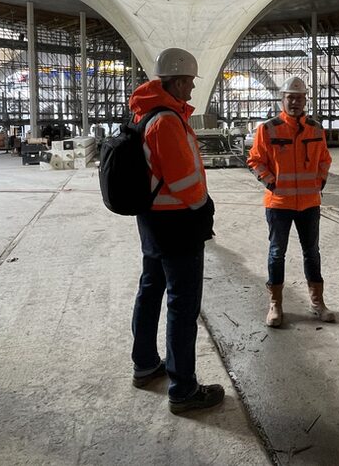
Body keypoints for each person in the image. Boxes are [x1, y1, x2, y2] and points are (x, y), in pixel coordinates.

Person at [129, 47, 224, 414]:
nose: (192, 90)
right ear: (179, 80)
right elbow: (184, 180)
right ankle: (183, 389)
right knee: (182, 305)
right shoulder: (167, 120)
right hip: (177, 223)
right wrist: (204, 206)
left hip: (153, 221)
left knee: (151, 289)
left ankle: (145, 363)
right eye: (190, 82)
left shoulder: (148, 114)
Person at [247, 75, 333, 327]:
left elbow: (325, 159)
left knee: (312, 253)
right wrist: (270, 182)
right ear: (282, 99)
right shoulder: (268, 128)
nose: (295, 102)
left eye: (299, 98)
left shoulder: (316, 129)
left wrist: (320, 181)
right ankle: (275, 305)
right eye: (290, 97)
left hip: (309, 203)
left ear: (306, 100)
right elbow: (254, 159)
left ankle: (318, 303)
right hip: (279, 204)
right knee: (277, 253)